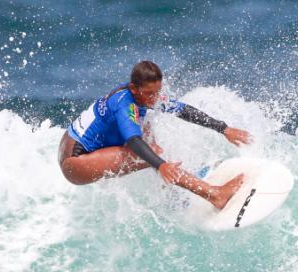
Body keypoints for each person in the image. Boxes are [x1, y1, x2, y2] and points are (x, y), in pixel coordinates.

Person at [58, 60, 253, 210]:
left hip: (75, 141)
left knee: (150, 135)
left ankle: (173, 195)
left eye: (158, 92)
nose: (155, 98)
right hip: (75, 162)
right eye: (150, 94)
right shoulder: (125, 103)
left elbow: (182, 110)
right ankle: (215, 195)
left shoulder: (142, 93)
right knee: (151, 155)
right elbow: (133, 141)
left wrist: (223, 128)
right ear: (134, 88)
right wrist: (161, 165)